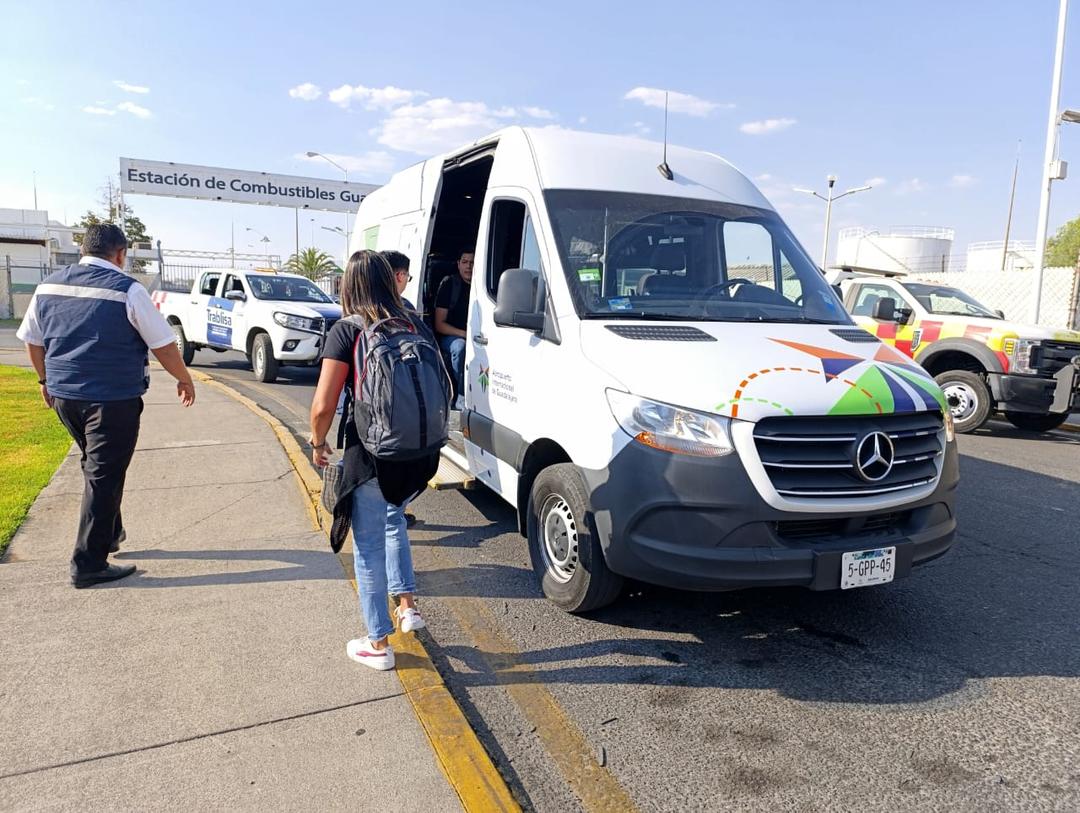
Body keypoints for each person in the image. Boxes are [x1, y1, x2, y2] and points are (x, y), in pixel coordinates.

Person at [16, 223, 196, 588]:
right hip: (111, 399)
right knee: (103, 473)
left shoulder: (48, 285)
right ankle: (89, 564)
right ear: (120, 254)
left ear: (83, 251)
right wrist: (184, 378)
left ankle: (110, 533)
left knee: (97, 467)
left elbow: (32, 341)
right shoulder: (128, 289)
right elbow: (162, 343)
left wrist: (43, 380)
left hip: (65, 396)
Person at [309, 250, 440, 671]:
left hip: (372, 453)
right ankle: (407, 608)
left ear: (347, 286)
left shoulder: (347, 330)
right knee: (394, 521)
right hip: (419, 454)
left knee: (366, 548)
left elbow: (323, 404)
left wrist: (317, 442)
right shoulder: (414, 322)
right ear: (389, 280)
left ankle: (378, 644)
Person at [382, 250, 419, 528]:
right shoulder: (405, 309)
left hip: (375, 412)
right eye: (407, 275)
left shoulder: (359, 311)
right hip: (406, 406)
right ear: (399, 275)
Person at [434, 248, 473, 410]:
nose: (469, 266)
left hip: (478, 336)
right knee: (460, 347)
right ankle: (460, 395)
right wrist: (464, 334)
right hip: (452, 336)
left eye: (472, 262)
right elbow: (439, 324)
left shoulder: (485, 286)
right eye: (465, 262)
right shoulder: (449, 284)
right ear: (458, 264)